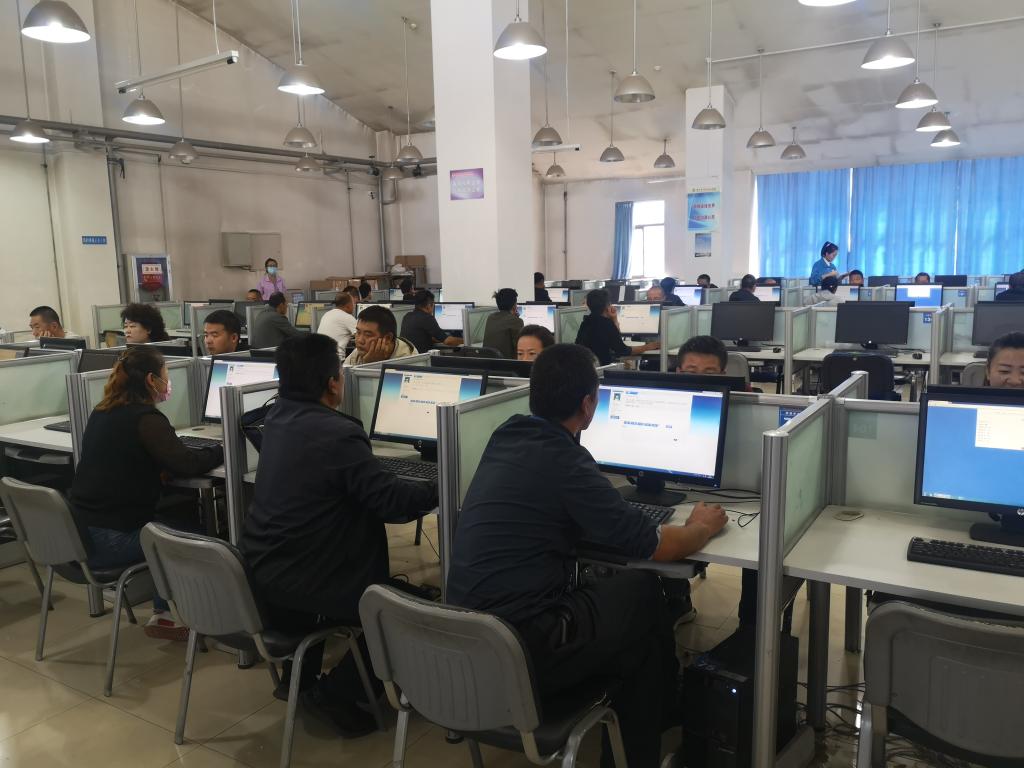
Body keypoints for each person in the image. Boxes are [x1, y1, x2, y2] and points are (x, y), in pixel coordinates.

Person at [446, 343, 728, 766]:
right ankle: (649, 730)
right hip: (522, 648)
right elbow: (659, 546)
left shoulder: (507, 434)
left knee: (635, 625)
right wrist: (702, 526)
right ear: (587, 405)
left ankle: (653, 715)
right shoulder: (566, 461)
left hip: (467, 640)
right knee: (643, 593)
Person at [242, 334, 438, 734]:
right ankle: (335, 694)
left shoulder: (276, 418)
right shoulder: (336, 433)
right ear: (333, 383)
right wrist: (443, 483)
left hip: (268, 567)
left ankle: (302, 678)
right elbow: (392, 504)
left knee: (401, 590)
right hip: (311, 576)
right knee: (412, 610)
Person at [70, 346, 223, 641]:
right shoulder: (146, 419)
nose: (169, 380)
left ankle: (166, 612)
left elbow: (129, 458)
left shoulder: (103, 411)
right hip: (109, 541)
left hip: (81, 532)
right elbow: (187, 464)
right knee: (200, 537)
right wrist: (219, 449)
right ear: (152, 380)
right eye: (166, 373)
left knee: (175, 518)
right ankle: (180, 616)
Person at [575, 289, 658, 366]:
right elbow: (623, 351)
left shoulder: (586, 321)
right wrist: (649, 346)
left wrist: (614, 318)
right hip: (601, 368)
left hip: (585, 367)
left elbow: (615, 341)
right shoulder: (606, 324)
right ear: (607, 306)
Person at [343, 305, 416, 366]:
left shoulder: (408, 361)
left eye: (368, 335)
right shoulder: (360, 352)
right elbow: (343, 377)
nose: (360, 340)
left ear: (388, 338)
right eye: (358, 332)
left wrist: (372, 365)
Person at [400, 289, 461, 353]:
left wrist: (441, 338)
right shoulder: (427, 318)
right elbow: (448, 341)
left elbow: (421, 336)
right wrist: (465, 340)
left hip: (408, 357)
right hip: (422, 358)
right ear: (429, 305)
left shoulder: (407, 316)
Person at [482, 288, 524, 359]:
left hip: (488, 362)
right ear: (514, 305)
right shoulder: (516, 321)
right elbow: (520, 346)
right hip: (507, 363)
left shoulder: (491, 317)